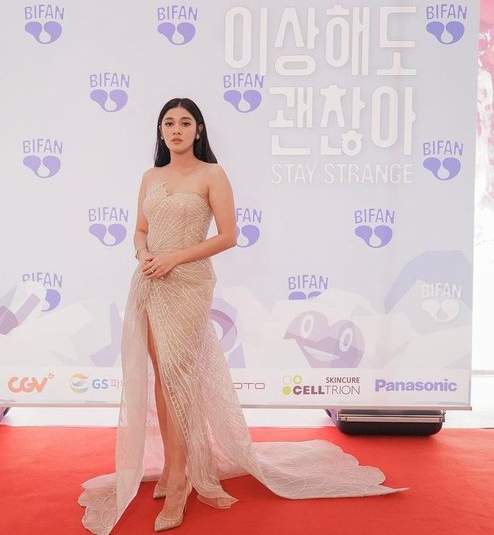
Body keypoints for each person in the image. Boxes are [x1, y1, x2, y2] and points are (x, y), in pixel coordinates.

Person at [79, 98, 403, 534]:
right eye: (168, 123)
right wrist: (144, 254)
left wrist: (174, 258)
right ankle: (179, 467)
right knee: (163, 377)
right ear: (160, 132)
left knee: (180, 375)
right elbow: (139, 228)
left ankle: (181, 480)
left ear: (199, 130)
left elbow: (229, 235)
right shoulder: (150, 177)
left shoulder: (212, 174)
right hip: (151, 282)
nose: (176, 129)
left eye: (185, 123)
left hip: (189, 282)